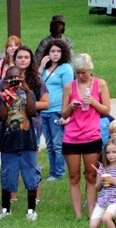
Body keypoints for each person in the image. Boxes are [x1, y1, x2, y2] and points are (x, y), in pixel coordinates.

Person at [61, 53, 110, 218]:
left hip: (92, 136)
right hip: (72, 137)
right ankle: (77, 215)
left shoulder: (100, 84)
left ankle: (91, 212)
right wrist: (71, 108)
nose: (80, 75)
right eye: (78, 73)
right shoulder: (69, 87)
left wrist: (93, 103)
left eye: (83, 72)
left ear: (90, 69)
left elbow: (107, 110)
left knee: (91, 176)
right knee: (74, 177)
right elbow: (64, 114)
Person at [0, 66, 41, 221]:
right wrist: (4, 96)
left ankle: (31, 210)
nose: (13, 80)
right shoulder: (2, 96)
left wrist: (27, 91)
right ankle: (5, 209)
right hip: (8, 142)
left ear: (22, 77)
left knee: (31, 176)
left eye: (16, 77)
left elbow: (31, 112)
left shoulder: (29, 93)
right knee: (8, 176)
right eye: (10, 78)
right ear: (5, 80)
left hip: (27, 141)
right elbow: (1, 117)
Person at [38, 40, 73, 181]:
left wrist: (67, 112)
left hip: (57, 111)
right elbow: (35, 81)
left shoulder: (66, 68)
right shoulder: (45, 68)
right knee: (50, 144)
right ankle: (53, 172)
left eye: (58, 51)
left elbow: (69, 91)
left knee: (58, 144)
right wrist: (41, 65)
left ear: (63, 53)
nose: (55, 54)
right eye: (52, 51)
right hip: (44, 111)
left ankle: (59, 173)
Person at [89, 139, 116, 228]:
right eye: (108, 152)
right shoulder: (102, 167)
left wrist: (113, 181)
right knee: (93, 227)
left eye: (114, 152)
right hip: (103, 200)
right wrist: (100, 182)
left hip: (115, 200)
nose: (111, 155)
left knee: (106, 218)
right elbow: (97, 188)